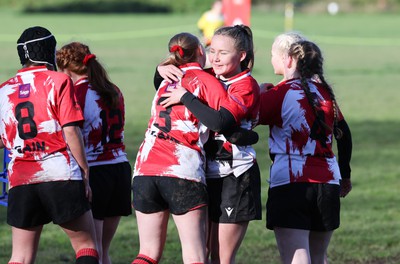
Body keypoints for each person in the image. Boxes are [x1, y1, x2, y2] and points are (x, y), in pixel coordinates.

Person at [131, 32, 249, 264]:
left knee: (147, 254)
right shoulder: (209, 82)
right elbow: (222, 121)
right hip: (181, 169)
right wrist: (245, 135)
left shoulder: (165, 80)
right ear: (200, 52)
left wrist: (160, 67)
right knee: (195, 254)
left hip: (144, 169)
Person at [159, 25, 262, 264]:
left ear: (242, 55)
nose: (215, 57)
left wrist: (185, 97)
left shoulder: (245, 85)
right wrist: (160, 68)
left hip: (236, 176)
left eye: (223, 53)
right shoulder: (209, 76)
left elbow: (221, 122)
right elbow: (163, 79)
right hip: (205, 174)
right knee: (200, 254)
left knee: (221, 259)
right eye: (211, 50)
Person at [0, 26, 99, 264]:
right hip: (59, 172)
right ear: (47, 51)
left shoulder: (4, 89)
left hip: (21, 177)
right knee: (86, 246)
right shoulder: (59, 80)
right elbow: (71, 131)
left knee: (20, 257)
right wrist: (84, 172)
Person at [258, 39, 352, 264]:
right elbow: (345, 135)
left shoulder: (280, 92)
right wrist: (345, 175)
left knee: (297, 256)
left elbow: (242, 118)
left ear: (289, 60)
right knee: (319, 257)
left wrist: (260, 93)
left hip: (292, 182)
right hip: (328, 182)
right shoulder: (326, 94)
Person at [56, 42, 132, 264]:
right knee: (103, 251)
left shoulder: (75, 92)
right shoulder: (113, 89)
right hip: (120, 169)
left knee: (92, 251)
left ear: (66, 70)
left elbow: (69, 132)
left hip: (95, 172)